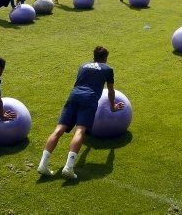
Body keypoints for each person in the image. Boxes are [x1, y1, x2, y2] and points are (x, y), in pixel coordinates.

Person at [37, 46, 124, 179]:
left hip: (74, 95)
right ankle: (69, 168)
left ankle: (43, 164)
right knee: (80, 131)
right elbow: (111, 91)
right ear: (106, 58)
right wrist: (113, 107)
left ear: (93, 56)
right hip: (89, 99)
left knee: (58, 130)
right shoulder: (108, 69)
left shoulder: (83, 65)